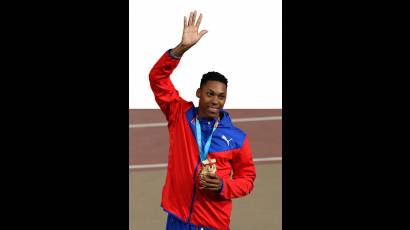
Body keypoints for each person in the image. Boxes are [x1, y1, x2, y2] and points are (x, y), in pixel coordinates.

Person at [149, 10, 256, 230]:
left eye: (221, 96)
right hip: (177, 219)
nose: (215, 100)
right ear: (199, 93)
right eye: (210, 94)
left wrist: (223, 186)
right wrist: (180, 50)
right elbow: (157, 78)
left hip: (212, 223)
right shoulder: (179, 114)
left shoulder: (237, 138)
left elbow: (247, 179)